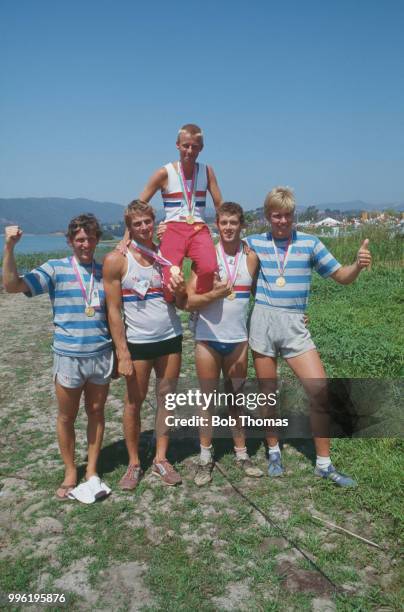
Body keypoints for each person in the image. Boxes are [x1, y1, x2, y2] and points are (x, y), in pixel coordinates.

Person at [246, 187, 372, 487]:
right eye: (276, 216)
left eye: (287, 215)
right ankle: (274, 450)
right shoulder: (252, 244)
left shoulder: (310, 243)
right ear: (267, 216)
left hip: (294, 327)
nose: (282, 221)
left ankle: (324, 465)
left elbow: (341, 276)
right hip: (262, 321)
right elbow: (227, 265)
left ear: (294, 215)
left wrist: (357, 265)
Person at [2, 215, 113, 500]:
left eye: (89, 239)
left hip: (100, 354)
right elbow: (13, 286)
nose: (85, 244)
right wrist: (10, 248)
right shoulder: (55, 268)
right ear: (70, 242)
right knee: (66, 416)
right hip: (68, 357)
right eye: (79, 239)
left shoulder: (106, 271)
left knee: (97, 413)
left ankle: (91, 470)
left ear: (97, 240)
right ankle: (70, 471)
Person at [103, 200, 187, 488]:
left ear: (154, 222)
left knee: (167, 399)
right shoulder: (117, 260)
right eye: (137, 223)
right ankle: (134, 463)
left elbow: (178, 297)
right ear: (129, 227)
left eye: (147, 221)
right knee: (133, 403)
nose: (143, 227)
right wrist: (122, 351)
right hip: (138, 342)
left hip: (170, 337)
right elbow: (113, 310)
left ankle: (161, 460)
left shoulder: (165, 254)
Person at [186, 202, 263, 486]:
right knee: (206, 400)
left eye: (234, 222)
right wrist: (214, 294)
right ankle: (205, 458)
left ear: (242, 225)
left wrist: (294, 311)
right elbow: (189, 299)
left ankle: (242, 454)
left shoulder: (251, 258)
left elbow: (262, 294)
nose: (228, 227)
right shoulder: (206, 257)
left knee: (236, 399)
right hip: (208, 338)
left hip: (238, 340)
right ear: (216, 225)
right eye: (223, 222)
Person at [138, 123, 223, 298]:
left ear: (201, 148)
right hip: (173, 229)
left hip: (199, 228)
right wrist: (125, 239)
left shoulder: (207, 171)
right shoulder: (164, 173)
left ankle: (194, 304)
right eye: (185, 146)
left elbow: (220, 206)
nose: (190, 151)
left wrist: (232, 237)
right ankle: (174, 309)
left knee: (209, 268)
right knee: (170, 284)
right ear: (177, 144)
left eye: (195, 147)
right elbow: (137, 206)